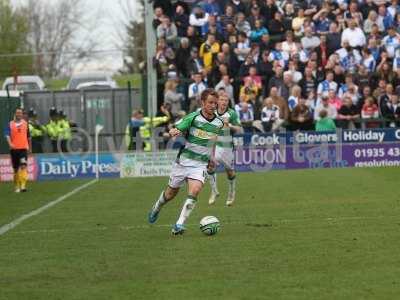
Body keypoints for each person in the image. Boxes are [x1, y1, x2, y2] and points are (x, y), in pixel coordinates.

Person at [148, 89, 224, 235]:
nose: (213, 106)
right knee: (170, 194)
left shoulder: (218, 123)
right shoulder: (193, 117)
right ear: (203, 103)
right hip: (183, 162)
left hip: (200, 164)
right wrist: (174, 131)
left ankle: (179, 224)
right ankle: (157, 206)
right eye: (210, 102)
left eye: (215, 103)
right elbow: (178, 127)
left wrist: (212, 157)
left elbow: (212, 141)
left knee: (195, 190)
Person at [207, 92, 242, 206]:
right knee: (210, 166)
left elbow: (239, 129)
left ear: (228, 102)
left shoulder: (232, 113)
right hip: (215, 144)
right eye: (221, 100)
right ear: (218, 101)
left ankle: (232, 192)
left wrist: (230, 125)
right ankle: (214, 191)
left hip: (227, 146)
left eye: (226, 100)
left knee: (229, 172)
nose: (223, 102)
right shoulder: (213, 113)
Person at [4, 108, 31, 193]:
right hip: (14, 149)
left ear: (22, 114)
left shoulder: (25, 124)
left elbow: (28, 137)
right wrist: (10, 144)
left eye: (20, 113)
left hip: (23, 148)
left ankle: (23, 186)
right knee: (16, 169)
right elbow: (7, 135)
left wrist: (30, 147)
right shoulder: (10, 124)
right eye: (17, 113)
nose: (19, 114)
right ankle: (16, 186)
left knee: (23, 165)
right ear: (15, 114)